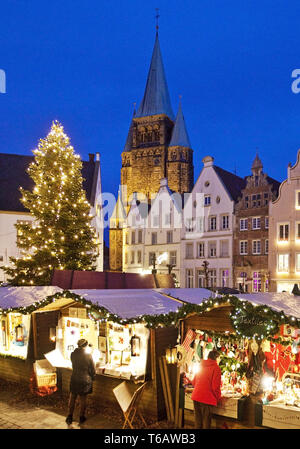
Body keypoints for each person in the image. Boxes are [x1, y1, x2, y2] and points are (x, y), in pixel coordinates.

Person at [66, 339, 96, 425]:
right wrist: (93, 377)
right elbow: (93, 369)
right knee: (83, 399)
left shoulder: (73, 354)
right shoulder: (88, 355)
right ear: (85, 346)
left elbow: (74, 365)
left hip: (74, 378)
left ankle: (69, 417)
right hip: (84, 380)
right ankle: (81, 417)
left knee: (72, 398)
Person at [191, 349, 221, 429]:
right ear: (216, 358)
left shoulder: (201, 365)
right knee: (206, 423)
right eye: (219, 358)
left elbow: (194, 382)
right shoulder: (216, 368)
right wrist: (218, 398)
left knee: (198, 421)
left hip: (196, 396)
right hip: (207, 398)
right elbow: (215, 387)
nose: (220, 360)